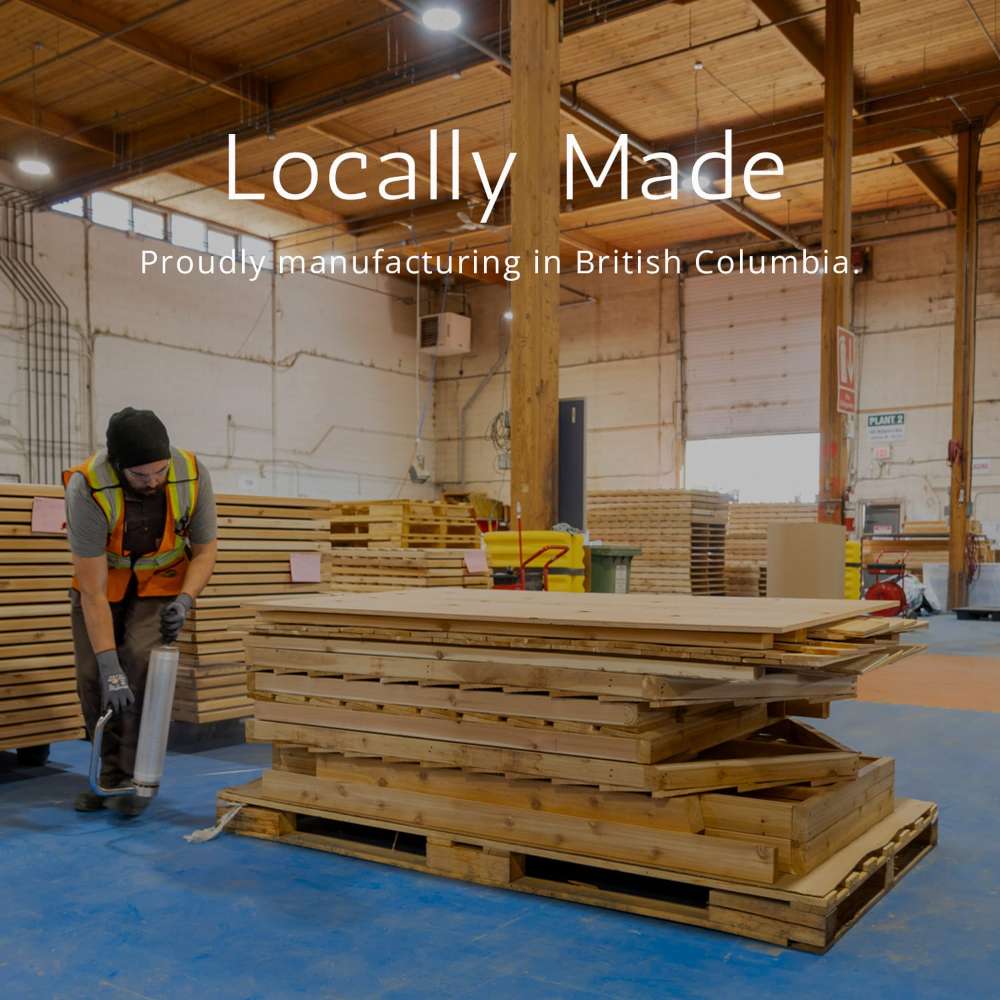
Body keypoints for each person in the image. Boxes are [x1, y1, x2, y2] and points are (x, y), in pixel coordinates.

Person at [63, 407, 217, 816]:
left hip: (161, 585)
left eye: (158, 472)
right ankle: (106, 776)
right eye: (140, 476)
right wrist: (108, 666)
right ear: (117, 465)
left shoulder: (192, 473)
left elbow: (205, 551)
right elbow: (93, 593)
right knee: (95, 677)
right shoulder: (87, 488)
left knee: (142, 665)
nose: (152, 482)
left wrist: (185, 599)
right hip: (103, 588)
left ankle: (135, 777)